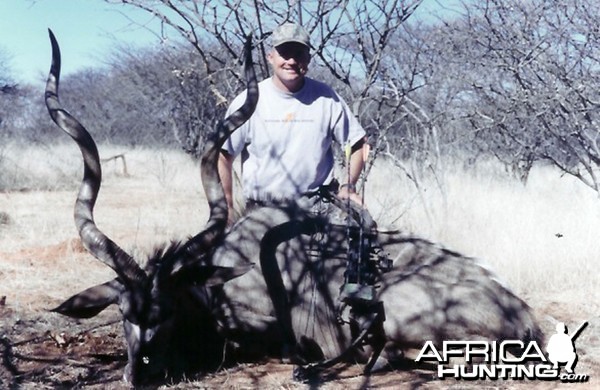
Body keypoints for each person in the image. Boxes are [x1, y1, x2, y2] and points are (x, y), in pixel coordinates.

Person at [218, 22, 368, 225]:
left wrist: (348, 186)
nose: (291, 61)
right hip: (262, 211)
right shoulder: (247, 102)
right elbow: (222, 155)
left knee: (364, 229)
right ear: (270, 57)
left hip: (317, 206)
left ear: (309, 59)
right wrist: (227, 208)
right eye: (285, 53)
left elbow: (358, 143)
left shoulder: (327, 98)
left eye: (299, 54)